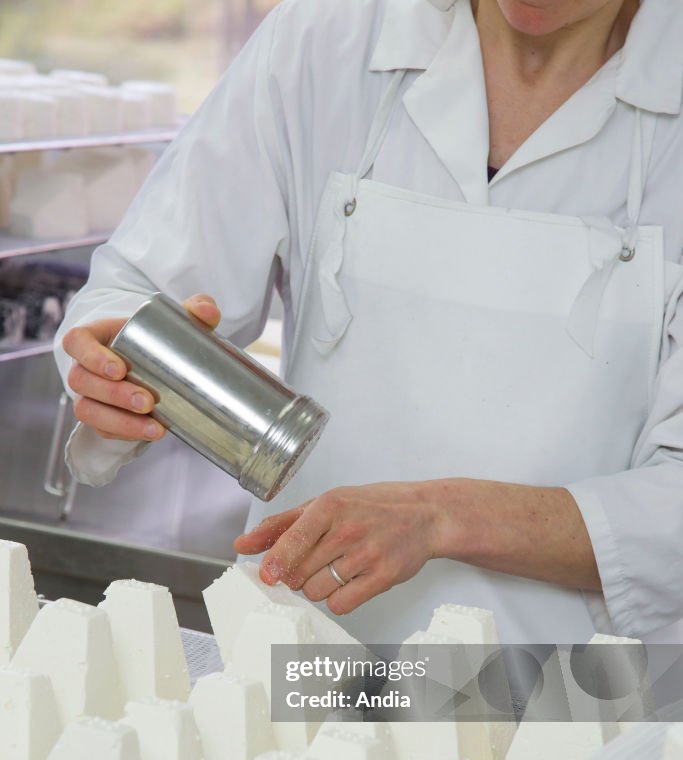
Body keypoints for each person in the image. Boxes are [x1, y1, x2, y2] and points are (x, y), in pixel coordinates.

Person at [55, 0, 683, 647]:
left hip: (582, 689)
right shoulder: (328, 36)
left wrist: (440, 517)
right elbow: (140, 290)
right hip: (301, 655)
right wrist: (115, 367)